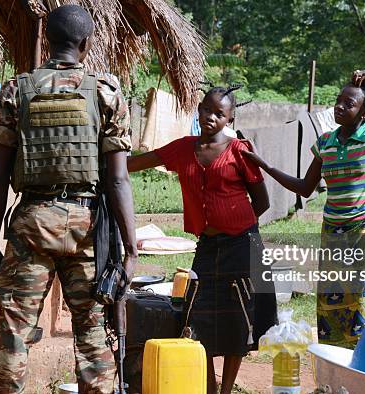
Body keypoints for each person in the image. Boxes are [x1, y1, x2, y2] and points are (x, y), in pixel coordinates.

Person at [0, 5, 137, 393]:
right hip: (87, 229)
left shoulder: (16, 90)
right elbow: (117, 181)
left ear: (48, 40)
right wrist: (130, 250)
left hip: (31, 225)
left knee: (14, 337)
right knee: (93, 338)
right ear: (86, 44)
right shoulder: (105, 92)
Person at [244, 70, 365, 348]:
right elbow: (306, 188)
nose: (339, 106)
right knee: (333, 305)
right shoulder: (326, 143)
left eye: (349, 103)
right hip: (333, 233)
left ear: (364, 113)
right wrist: (266, 166)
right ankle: (337, 364)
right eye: (338, 100)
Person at [127, 85, 276, 394]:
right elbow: (135, 163)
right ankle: (209, 387)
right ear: (198, 110)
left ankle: (226, 390)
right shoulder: (182, 148)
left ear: (230, 117)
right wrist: (106, 158)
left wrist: (236, 225)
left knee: (238, 321)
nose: (211, 117)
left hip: (241, 246)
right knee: (200, 319)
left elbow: (261, 201)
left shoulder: (240, 151)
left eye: (219, 113)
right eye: (206, 110)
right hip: (207, 248)